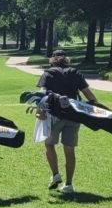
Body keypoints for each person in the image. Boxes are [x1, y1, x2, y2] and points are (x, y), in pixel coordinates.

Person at [36, 49, 97, 194]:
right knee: (69, 150)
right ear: (66, 59)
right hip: (74, 115)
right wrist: (98, 111)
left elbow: (41, 95)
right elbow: (89, 95)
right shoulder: (74, 72)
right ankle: (69, 184)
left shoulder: (48, 73)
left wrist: (40, 111)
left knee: (49, 144)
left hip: (54, 115)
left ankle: (56, 175)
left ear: (53, 59)